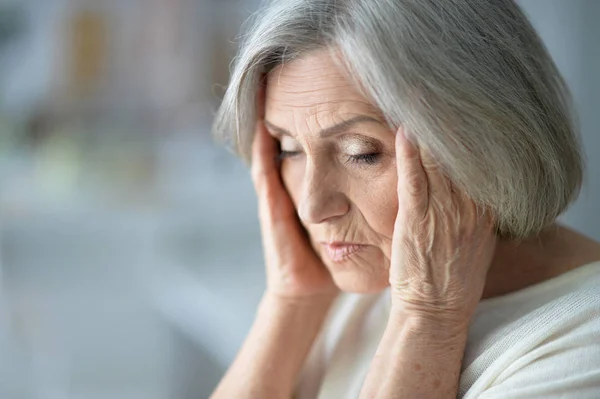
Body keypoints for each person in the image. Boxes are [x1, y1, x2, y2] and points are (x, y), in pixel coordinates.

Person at [210, 0, 600, 397]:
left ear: (487, 140)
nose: (312, 207)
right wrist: (291, 300)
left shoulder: (585, 345)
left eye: (361, 152)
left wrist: (428, 319)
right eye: (289, 148)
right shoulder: (355, 285)